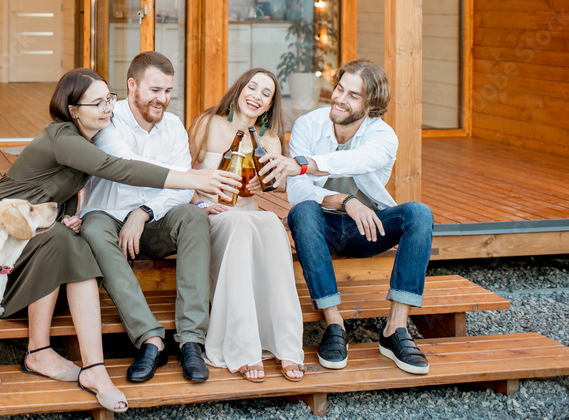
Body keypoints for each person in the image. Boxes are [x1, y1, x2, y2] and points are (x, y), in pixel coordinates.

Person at [0, 68, 239, 413]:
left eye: (107, 99)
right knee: (67, 241)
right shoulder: (63, 137)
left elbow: (54, 189)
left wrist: (66, 214)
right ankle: (39, 352)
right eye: (96, 103)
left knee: (74, 241)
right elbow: (121, 168)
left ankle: (95, 369)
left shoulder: (87, 137)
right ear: (73, 108)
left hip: (33, 228)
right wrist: (194, 177)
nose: (107, 108)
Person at [260, 59, 435, 375]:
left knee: (419, 213)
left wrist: (305, 164)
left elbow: (356, 160)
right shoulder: (308, 125)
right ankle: (334, 323)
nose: (340, 98)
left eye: (353, 95)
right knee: (302, 210)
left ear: (371, 105)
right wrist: (344, 200)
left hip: (366, 229)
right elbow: (298, 191)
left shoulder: (383, 137)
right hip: (319, 226)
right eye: (339, 88)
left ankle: (395, 329)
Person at [79, 52, 211, 385]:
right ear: (132, 85)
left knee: (194, 217)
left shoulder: (174, 125)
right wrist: (187, 178)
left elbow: (183, 190)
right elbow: (128, 166)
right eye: (155, 90)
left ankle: (192, 339)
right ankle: (150, 339)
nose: (162, 99)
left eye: (168, 91)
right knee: (93, 227)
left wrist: (145, 212)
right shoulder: (107, 119)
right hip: (109, 220)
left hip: (154, 223)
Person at [187, 68, 306, 382]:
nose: (256, 96)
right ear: (239, 90)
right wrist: (199, 204)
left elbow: (277, 185)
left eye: (265, 93)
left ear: (269, 105)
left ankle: (286, 345)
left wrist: (263, 184)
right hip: (208, 212)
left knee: (270, 222)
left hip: (247, 212)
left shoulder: (268, 138)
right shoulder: (207, 123)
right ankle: (242, 347)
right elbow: (181, 174)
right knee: (241, 223)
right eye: (252, 88)